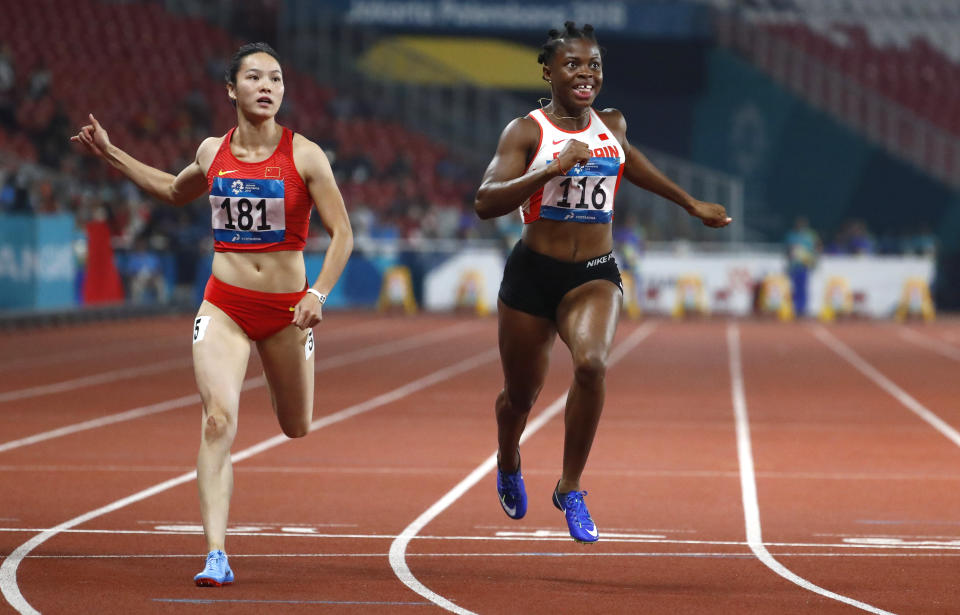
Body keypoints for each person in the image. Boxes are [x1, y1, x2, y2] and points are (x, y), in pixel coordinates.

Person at [71, 42, 353, 584]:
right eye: (254, 77)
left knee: (296, 426)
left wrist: (317, 294)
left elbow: (343, 233)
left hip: (287, 311)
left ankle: (285, 365)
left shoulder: (306, 155)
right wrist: (111, 153)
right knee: (218, 420)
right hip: (223, 305)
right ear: (231, 89)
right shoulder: (211, 152)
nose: (267, 86)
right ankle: (216, 554)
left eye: (275, 78)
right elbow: (173, 191)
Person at [474, 22, 730, 543]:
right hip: (532, 276)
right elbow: (486, 202)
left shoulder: (611, 123)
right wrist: (550, 171)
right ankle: (508, 456)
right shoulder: (525, 132)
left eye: (594, 65)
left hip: (593, 273)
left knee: (592, 365)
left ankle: (570, 487)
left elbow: (631, 164)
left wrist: (690, 204)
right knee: (519, 398)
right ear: (548, 71)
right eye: (573, 64)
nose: (586, 74)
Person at [784, 216, 820, 317]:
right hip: (793, 266)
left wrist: (812, 260)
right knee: (792, 289)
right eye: (798, 224)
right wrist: (792, 253)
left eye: (802, 224)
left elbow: (816, 248)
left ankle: (801, 310)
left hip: (804, 266)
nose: (800, 226)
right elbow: (787, 250)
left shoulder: (810, 236)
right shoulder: (791, 236)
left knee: (803, 289)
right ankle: (792, 309)